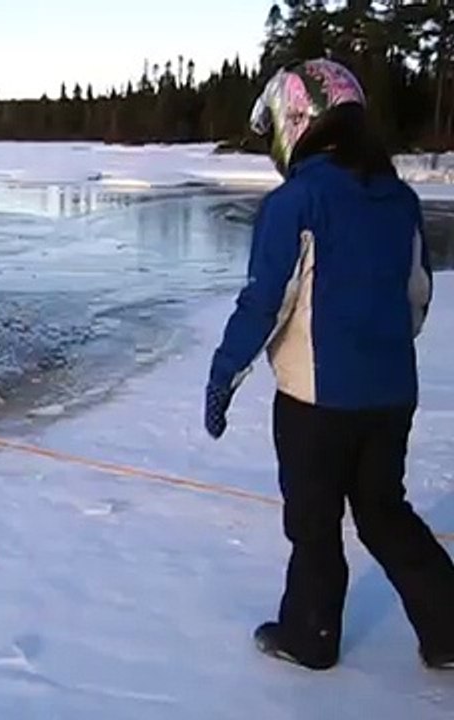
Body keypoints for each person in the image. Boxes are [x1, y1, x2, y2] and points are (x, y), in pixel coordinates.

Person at [204, 58, 454, 671]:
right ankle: (450, 630)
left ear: (300, 122)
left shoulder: (299, 200)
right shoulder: (398, 198)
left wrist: (223, 376)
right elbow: (416, 295)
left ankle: (311, 636)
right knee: (383, 511)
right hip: (390, 395)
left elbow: (265, 300)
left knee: (313, 523)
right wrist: (383, 353)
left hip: (316, 403)